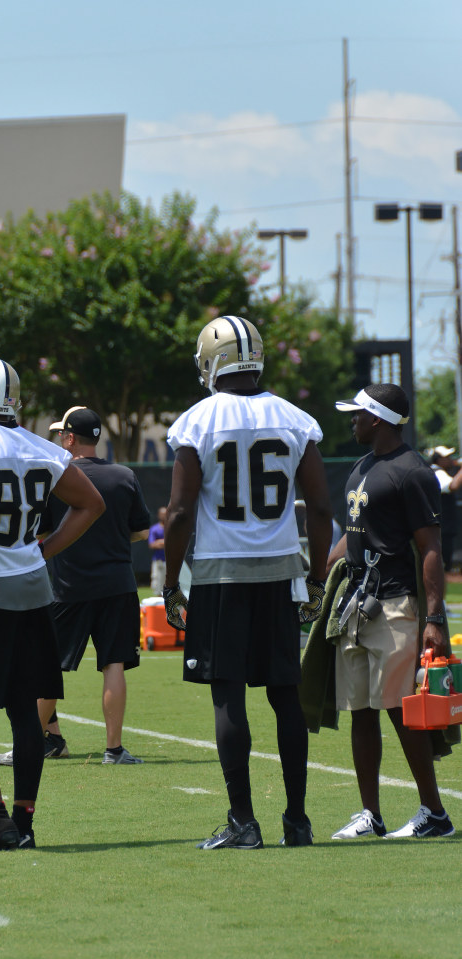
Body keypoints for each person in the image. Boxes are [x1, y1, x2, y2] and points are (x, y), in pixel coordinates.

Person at [162, 315, 333, 849]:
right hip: (282, 573)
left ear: (212, 361)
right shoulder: (295, 419)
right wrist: (319, 574)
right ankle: (298, 822)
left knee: (228, 697)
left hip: (219, 573)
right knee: (284, 695)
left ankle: (243, 822)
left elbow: (180, 510)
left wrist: (171, 582)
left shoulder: (196, 420)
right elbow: (322, 507)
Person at [0, 359, 104, 851]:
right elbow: (91, 503)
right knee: (24, 712)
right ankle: (23, 823)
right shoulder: (40, 447)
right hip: (32, 590)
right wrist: (43, 550)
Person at [328, 383, 454, 840]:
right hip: (357, 603)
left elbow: (430, 546)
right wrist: (319, 573)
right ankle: (370, 813)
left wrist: (435, 618)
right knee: (361, 708)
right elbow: (354, 533)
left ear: (378, 418)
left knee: (402, 709)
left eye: (358, 414)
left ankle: (434, 813)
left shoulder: (411, 470)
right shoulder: (362, 467)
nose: (352, 421)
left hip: (397, 599)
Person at [1, 404, 150, 767]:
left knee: (49, 668)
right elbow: (142, 531)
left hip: (69, 587)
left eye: (60, 435)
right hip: (118, 584)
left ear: (69, 437)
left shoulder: (57, 476)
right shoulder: (124, 475)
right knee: (114, 663)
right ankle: (114, 750)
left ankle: (28, 745)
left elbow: (43, 532)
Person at [427, 446, 462, 572]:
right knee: (442, 567)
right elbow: (453, 486)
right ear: (438, 459)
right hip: (442, 527)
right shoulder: (438, 472)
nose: (450, 459)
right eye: (446, 457)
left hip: (439, 526)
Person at [148, 506, 167, 595]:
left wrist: (159, 542)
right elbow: (152, 544)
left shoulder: (171, 528)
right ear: (159, 515)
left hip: (171, 562)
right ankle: (159, 607)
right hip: (158, 561)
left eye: (166, 514)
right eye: (162, 514)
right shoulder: (154, 529)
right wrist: (165, 542)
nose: (164, 516)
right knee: (157, 586)